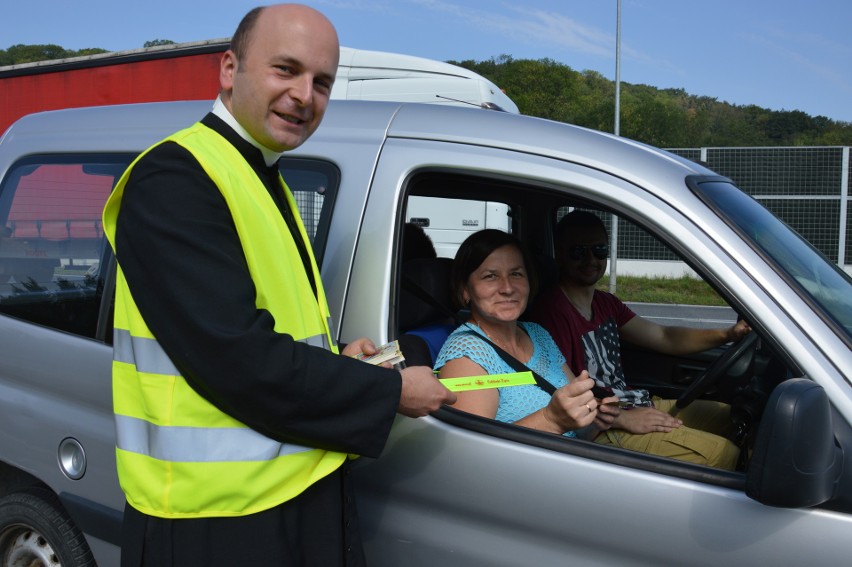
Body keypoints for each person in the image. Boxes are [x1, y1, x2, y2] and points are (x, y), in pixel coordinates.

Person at [102, 5, 455, 566]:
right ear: (228, 68)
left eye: (322, 82)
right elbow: (237, 358)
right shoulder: (176, 178)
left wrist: (343, 361)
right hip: (215, 523)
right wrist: (390, 392)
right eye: (285, 70)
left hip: (289, 493)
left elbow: (269, 330)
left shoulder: (264, 173)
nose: (304, 95)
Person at [530, 210, 749, 469]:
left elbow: (664, 337)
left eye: (599, 250)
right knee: (724, 454)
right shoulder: (551, 312)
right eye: (578, 251)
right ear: (561, 255)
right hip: (602, 427)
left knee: (733, 417)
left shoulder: (605, 303)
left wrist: (727, 334)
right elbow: (558, 392)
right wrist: (622, 418)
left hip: (635, 403)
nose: (591, 259)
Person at [435, 229, 618, 438]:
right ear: (465, 290)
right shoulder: (466, 358)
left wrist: (594, 418)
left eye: (516, 274)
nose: (507, 288)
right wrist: (550, 420)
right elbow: (473, 453)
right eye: (490, 276)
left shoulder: (537, 334)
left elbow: (575, 429)